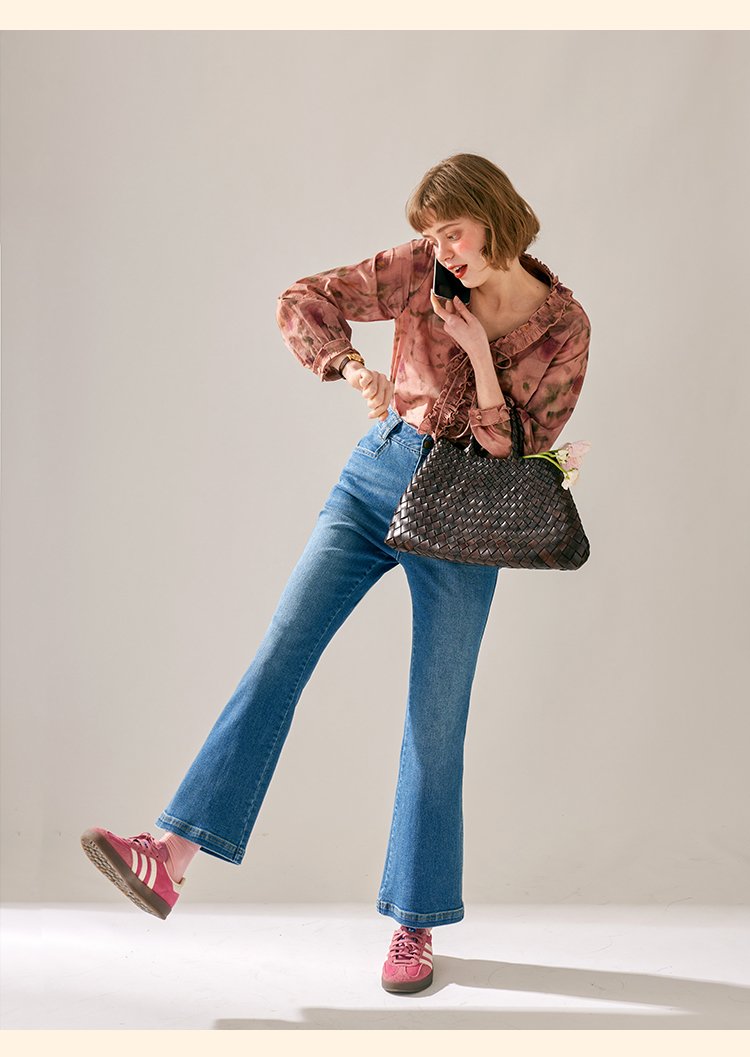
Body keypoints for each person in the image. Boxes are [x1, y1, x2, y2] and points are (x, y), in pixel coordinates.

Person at [81, 153, 590, 995]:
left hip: (466, 519)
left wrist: (477, 353)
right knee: (281, 651)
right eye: (432, 237)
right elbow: (304, 297)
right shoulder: (419, 268)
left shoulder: (562, 324)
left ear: (494, 217)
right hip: (377, 474)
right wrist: (354, 368)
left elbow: (521, 448)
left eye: (453, 233)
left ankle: (415, 919)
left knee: (435, 720)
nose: (443, 251)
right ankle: (170, 854)